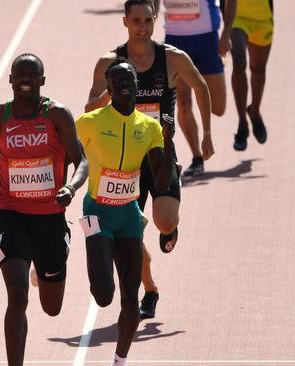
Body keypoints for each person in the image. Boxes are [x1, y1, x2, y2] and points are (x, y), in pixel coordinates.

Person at [86, 0, 211, 319]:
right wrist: (115, 88)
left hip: (160, 152)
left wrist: (206, 135)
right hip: (124, 161)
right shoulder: (109, 62)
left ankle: (171, 226)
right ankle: (150, 290)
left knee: (164, 221)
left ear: (155, 20)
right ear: (125, 22)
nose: (142, 26)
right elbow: (89, 109)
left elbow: (200, 85)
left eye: (148, 20)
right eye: (136, 20)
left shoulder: (171, 57)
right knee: (132, 234)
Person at [0, 53, 87, 366]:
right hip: (12, 214)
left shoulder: (57, 114)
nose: (26, 80)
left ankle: (57, 249)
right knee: (17, 295)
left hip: (50, 218)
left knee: (52, 307)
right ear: (11, 80)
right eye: (20, 75)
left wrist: (70, 187)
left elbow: (82, 160)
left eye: (33, 75)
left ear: (42, 81)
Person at [76, 57, 175, 366]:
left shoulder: (149, 128)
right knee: (103, 295)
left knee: (130, 298)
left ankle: (120, 360)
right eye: (117, 82)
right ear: (108, 87)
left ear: (137, 84)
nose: (124, 86)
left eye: (129, 80)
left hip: (129, 216)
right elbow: (68, 154)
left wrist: (168, 140)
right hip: (98, 213)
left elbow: (161, 181)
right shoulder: (90, 122)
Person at [155, 0, 235, 176]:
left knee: (218, 108)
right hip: (175, 39)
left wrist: (226, 33)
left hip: (206, 39)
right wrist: (150, 23)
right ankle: (197, 157)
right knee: (183, 103)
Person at [229, 0, 273, 151]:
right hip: (237, 16)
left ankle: (255, 112)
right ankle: (242, 124)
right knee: (239, 63)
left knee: (258, 68)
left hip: (263, 17)